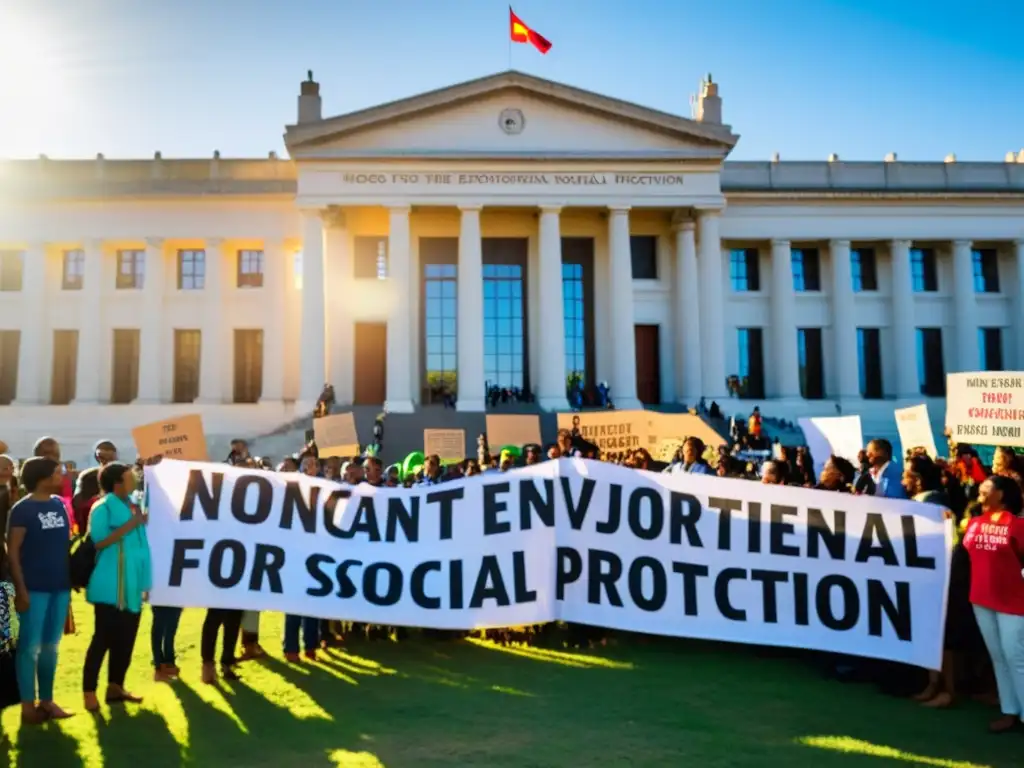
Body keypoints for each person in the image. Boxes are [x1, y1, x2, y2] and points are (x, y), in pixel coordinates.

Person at [7, 456, 74, 724]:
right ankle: (27, 707)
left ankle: (47, 701)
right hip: (33, 588)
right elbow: (13, 553)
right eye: (57, 472)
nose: (62, 476)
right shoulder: (22, 510)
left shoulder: (58, 505)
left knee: (51, 647)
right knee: (29, 648)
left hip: (60, 587)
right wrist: (21, 591)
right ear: (42, 477)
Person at [83, 463, 151, 711]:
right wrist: (132, 524)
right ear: (116, 483)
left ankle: (116, 686)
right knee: (103, 637)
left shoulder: (132, 503)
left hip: (132, 581)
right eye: (128, 477)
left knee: (126, 637)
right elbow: (99, 542)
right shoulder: (102, 507)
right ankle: (89, 691)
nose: (133, 479)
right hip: (111, 582)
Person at [961, 475, 1024, 733]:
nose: (981, 490)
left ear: (1001, 494)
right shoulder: (974, 523)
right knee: (998, 656)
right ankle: (1009, 711)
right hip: (981, 598)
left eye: (987, 487)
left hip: (1013, 601)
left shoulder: (1018, 525)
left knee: (1016, 657)